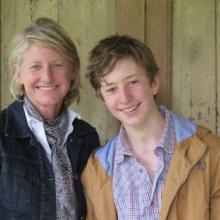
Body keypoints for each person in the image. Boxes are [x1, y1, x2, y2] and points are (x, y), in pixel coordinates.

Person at [81, 34, 220, 220]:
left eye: (133, 82)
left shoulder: (209, 152)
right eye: (112, 89)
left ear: (154, 83)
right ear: (103, 98)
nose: (125, 98)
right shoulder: (97, 170)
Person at [0, 17, 100, 220]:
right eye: (35, 66)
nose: (47, 77)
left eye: (57, 65)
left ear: (73, 71)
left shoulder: (86, 137)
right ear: (18, 73)